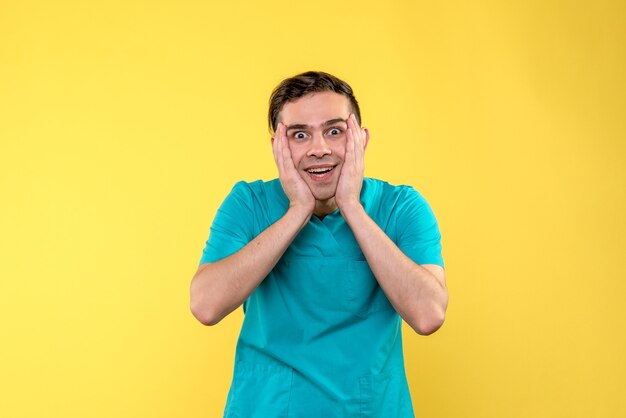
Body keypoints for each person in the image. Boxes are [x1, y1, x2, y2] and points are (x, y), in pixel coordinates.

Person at [190, 71, 448, 417]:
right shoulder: (249, 203)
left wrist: (352, 207)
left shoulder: (401, 207)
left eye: (335, 131)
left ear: (361, 138)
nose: (319, 149)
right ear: (278, 147)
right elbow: (206, 305)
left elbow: (428, 314)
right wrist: (298, 210)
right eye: (300, 135)